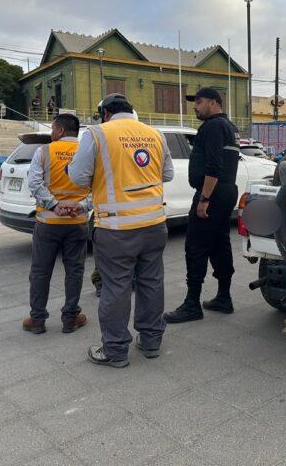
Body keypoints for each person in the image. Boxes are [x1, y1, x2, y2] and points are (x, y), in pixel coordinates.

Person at [68, 93, 174, 368]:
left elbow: (79, 177)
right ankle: (151, 342)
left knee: (116, 287)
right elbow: (167, 174)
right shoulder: (155, 133)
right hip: (154, 224)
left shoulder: (97, 134)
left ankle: (115, 350)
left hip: (116, 228)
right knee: (151, 282)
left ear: (105, 113)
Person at [163, 87, 240, 324]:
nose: (194, 106)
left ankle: (192, 304)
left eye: (199, 101)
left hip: (213, 194)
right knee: (219, 243)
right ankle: (223, 297)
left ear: (214, 103)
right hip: (226, 192)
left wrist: (204, 199)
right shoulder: (229, 127)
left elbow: (214, 166)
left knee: (195, 246)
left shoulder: (213, 126)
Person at [23, 113, 91, 335]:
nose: (52, 133)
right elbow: (98, 188)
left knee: (41, 271)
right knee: (74, 271)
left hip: (48, 223)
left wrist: (54, 205)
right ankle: (71, 317)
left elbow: (34, 183)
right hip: (77, 222)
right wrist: (80, 206)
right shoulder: (88, 152)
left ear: (60, 130)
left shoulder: (44, 151)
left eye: (53, 129)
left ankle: (37, 320)